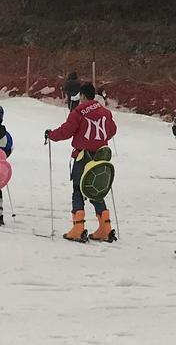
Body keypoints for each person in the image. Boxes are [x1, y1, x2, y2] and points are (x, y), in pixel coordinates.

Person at [46, 82, 118, 243]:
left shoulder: (78, 112)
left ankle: (78, 228)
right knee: (96, 190)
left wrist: (51, 135)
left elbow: (66, 131)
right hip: (100, 158)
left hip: (83, 157)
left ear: (84, 96)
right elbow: (112, 130)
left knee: (78, 190)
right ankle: (105, 228)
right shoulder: (105, 112)